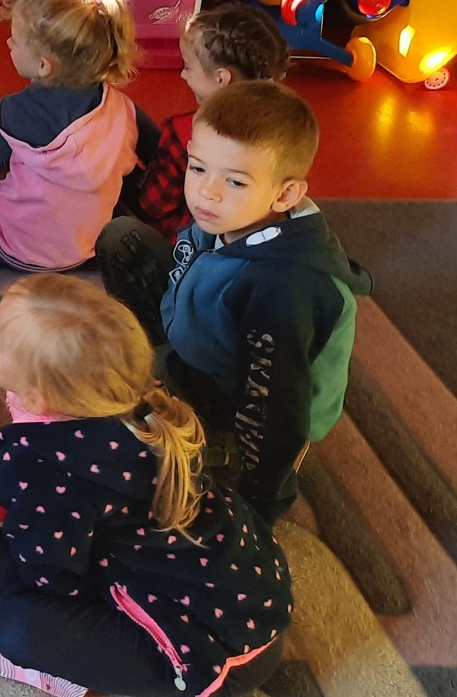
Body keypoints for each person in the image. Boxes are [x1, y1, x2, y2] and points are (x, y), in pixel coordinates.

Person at [0, 274, 290, 697]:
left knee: (17, 620)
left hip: (205, 659)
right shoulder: (142, 405)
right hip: (250, 608)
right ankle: (18, 527)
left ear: (36, 397)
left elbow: (48, 578)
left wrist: (1, 549)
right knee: (57, 528)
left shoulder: (42, 463)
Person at [98, 82, 371, 521]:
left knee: (136, 459)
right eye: (198, 168)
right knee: (122, 239)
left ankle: (219, 448)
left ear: (285, 195)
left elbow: (273, 406)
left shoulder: (283, 289)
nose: (207, 192)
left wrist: (260, 503)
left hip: (243, 394)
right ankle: (161, 363)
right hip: (210, 337)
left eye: (235, 181)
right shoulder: (233, 213)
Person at [0, 0, 151, 280]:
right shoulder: (124, 110)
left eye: (16, 40)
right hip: (84, 250)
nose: (8, 43)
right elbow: (159, 155)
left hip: (12, 251)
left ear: (44, 66)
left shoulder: (12, 112)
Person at [109, 4, 288, 247]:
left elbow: (154, 205)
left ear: (221, 78)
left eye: (187, 66)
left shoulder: (184, 131)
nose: (183, 75)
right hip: (248, 239)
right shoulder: (285, 126)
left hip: (189, 242)